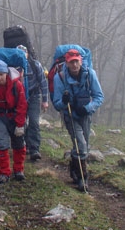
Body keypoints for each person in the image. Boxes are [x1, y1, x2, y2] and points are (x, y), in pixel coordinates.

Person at [52, 48, 104, 192]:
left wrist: (88, 108)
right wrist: (64, 101)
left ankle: (74, 168)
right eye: (71, 62)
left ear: (81, 61)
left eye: (76, 62)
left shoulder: (90, 75)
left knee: (84, 145)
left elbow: (99, 97)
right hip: (70, 116)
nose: (74, 65)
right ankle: (83, 177)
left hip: (85, 114)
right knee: (81, 144)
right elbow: (57, 104)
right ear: (66, 63)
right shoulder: (60, 78)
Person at [16, 44, 49, 161]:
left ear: (27, 54)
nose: (21, 56)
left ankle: (35, 149)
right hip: (18, 98)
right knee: (21, 122)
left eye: (23, 53)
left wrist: (45, 101)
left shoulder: (35, 65)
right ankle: (23, 146)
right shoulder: (12, 68)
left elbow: (43, 83)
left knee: (34, 122)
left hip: (34, 96)